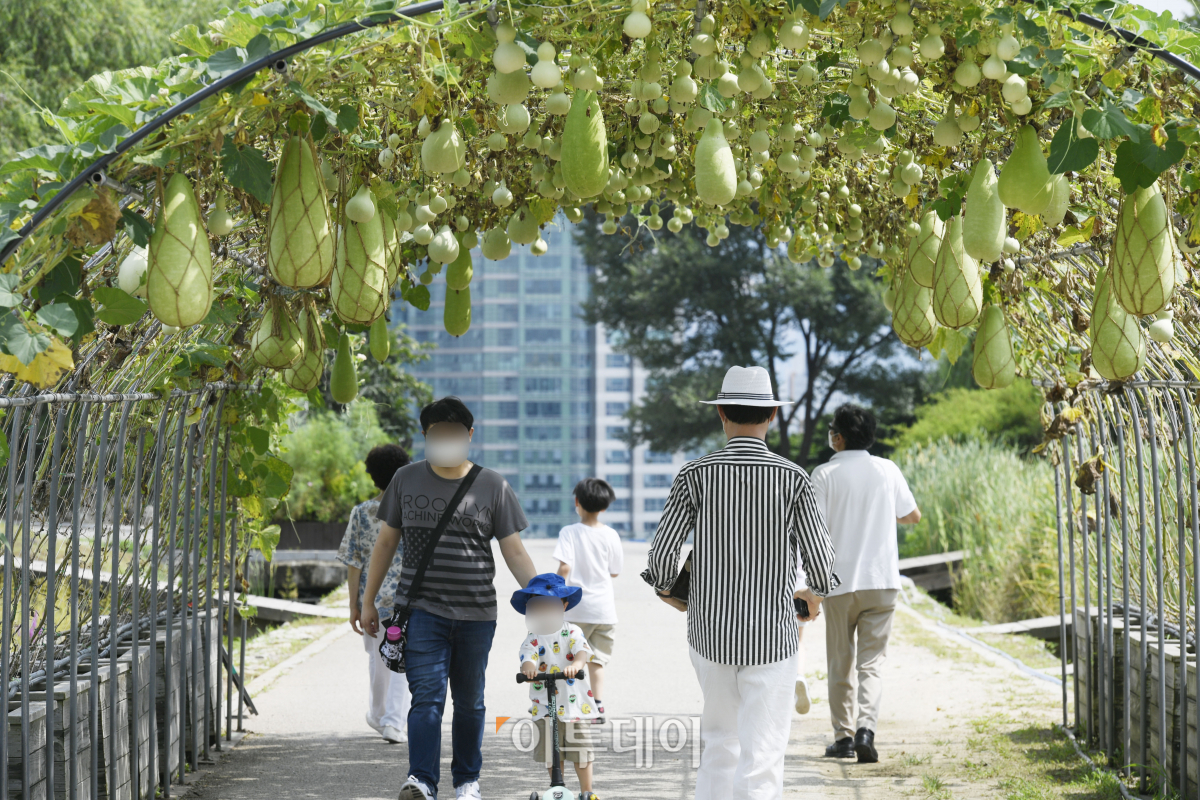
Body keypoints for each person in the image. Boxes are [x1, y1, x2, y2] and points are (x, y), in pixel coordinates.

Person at [642, 365, 839, 800]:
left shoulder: (694, 475)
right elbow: (822, 565)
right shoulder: (794, 479)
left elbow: (659, 557)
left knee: (719, 742)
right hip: (773, 637)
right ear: (771, 415)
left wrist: (668, 589)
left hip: (709, 634)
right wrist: (814, 595)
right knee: (763, 751)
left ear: (721, 415)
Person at [361, 397, 539, 800]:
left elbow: (514, 551)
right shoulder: (405, 480)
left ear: (469, 435)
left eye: (454, 433)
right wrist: (368, 601)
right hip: (421, 609)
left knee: (471, 701)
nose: (445, 439)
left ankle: (467, 781)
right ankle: (421, 780)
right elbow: (386, 542)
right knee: (427, 697)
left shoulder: (493, 485)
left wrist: (545, 597)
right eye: (437, 433)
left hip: (477, 613)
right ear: (425, 436)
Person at [813, 404, 921, 765]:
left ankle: (843, 739)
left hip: (838, 583)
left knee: (840, 662)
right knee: (871, 664)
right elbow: (912, 515)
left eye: (832, 429)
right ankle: (866, 730)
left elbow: (813, 531)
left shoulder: (824, 475)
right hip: (881, 582)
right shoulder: (886, 470)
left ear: (838, 437)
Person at [337, 443, 413, 744]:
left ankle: (386, 717)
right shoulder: (413, 511)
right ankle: (386, 717)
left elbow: (353, 563)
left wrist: (354, 605)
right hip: (407, 598)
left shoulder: (361, 513)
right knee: (399, 660)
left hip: (372, 601)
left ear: (373, 477)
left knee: (380, 660)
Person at [513, 573, 602, 800]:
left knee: (581, 751)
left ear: (563, 605)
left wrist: (577, 664)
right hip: (545, 706)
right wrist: (529, 669)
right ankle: (558, 790)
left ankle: (587, 791)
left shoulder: (572, 631)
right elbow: (528, 656)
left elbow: (582, 650)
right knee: (553, 753)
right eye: (539, 605)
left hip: (574, 706)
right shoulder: (533, 636)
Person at [554, 478, 623, 721]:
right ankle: (598, 707)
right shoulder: (612, 535)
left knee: (571, 658)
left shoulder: (569, 532)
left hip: (575, 609)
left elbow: (564, 567)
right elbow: (615, 571)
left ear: (577, 502)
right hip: (604, 611)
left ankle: (572, 706)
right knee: (598, 660)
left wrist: (555, 595)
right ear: (605, 506)